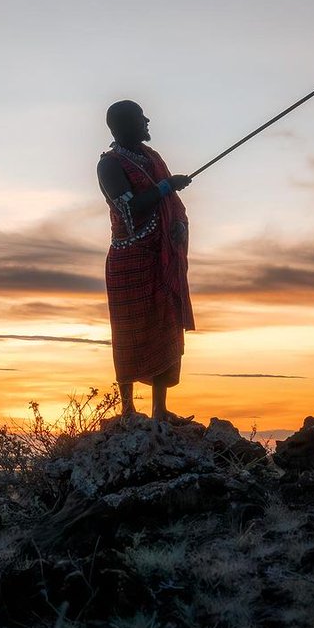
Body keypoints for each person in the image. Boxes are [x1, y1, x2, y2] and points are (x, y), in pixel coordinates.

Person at [96, 101, 195, 423]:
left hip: (161, 254)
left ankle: (159, 409)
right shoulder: (110, 165)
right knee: (128, 330)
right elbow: (130, 208)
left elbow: (172, 204)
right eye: (140, 118)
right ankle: (127, 408)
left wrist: (178, 222)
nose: (147, 121)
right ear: (122, 125)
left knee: (165, 325)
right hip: (130, 257)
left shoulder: (153, 159)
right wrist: (167, 186)